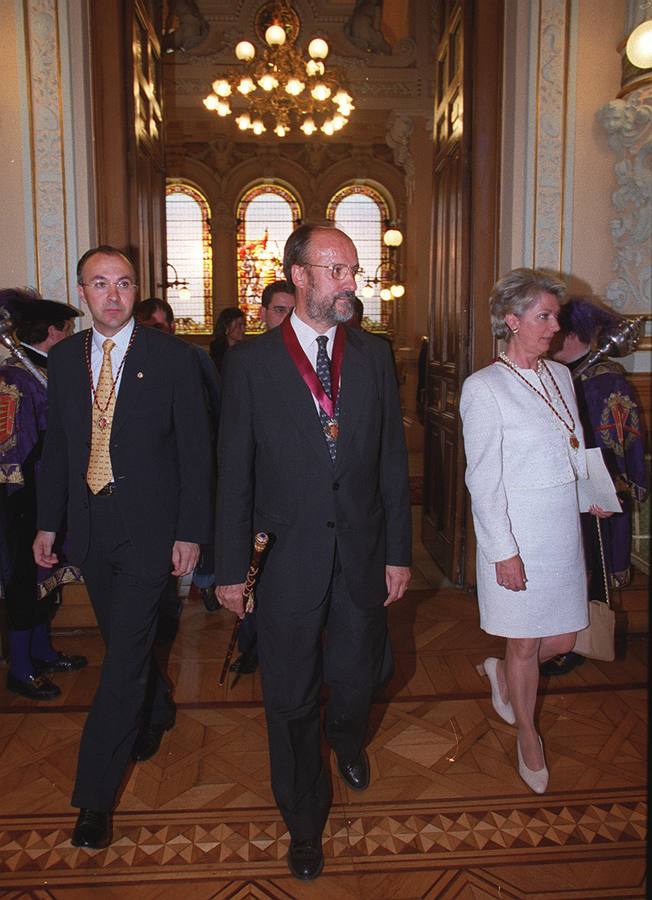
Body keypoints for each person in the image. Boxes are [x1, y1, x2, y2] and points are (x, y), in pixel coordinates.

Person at [214, 223, 411, 881]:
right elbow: (233, 472)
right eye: (337, 270)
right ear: (299, 276)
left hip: (361, 552)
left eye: (353, 271)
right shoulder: (250, 363)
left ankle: (348, 738)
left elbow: (390, 460)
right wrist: (230, 571)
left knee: (360, 677)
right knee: (290, 696)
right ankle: (303, 818)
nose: (351, 283)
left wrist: (400, 552)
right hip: (287, 557)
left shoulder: (377, 356)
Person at [33, 245, 212, 850]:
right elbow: (57, 449)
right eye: (100, 284)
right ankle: (157, 708)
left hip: (148, 533)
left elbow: (195, 451)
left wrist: (190, 531)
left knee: (121, 666)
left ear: (136, 290)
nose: (113, 295)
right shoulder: (63, 362)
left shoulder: (172, 358)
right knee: (125, 645)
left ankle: (92, 799)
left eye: (124, 283)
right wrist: (47, 523)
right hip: (89, 528)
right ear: (82, 292)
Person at [460, 268, 612, 796]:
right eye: (544, 316)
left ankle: (502, 675)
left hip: (560, 534)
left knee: (565, 637)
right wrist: (503, 551)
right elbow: (482, 480)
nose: (555, 327)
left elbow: (570, 450)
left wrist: (588, 495)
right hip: (516, 537)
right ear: (512, 321)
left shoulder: (561, 377)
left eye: (555, 315)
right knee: (523, 645)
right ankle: (528, 735)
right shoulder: (484, 389)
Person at [541, 295, 648, 675]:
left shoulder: (606, 380)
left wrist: (602, 487)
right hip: (557, 490)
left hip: (595, 494)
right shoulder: (558, 374)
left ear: (571, 335)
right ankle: (553, 638)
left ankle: (575, 644)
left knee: (587, 570)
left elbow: (619, 443)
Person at [0, 289, 85, 700]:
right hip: (23, 497)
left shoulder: (52, 371)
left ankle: (42, 651)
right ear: (52, 332)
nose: (71, 334)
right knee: (23, 581)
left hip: (54, 489)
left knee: (47, 578)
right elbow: (13, 447)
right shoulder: (16, 377)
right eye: (68, 329)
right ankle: (20, 668)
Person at [134, 296, 222, 619]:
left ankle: (206, 577)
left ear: (171, 327)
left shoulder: (194, 357)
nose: (153, 334)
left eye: (159, 327)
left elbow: (217, 404)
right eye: (146, 328)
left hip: (190, 464)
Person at [227, 280, 295, 674]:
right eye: (278, 310)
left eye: (291, 310)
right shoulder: (246, 361)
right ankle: (250, 644)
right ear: (263, 313)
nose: (284, 318)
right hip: (255, 500)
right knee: (252, 578)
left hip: (294, 505)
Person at [209, 306, 245, 373]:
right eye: (239, 325)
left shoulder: (244, 348)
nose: (243, 329)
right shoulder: (217, 351)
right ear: (227, 327)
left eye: (244, 325)